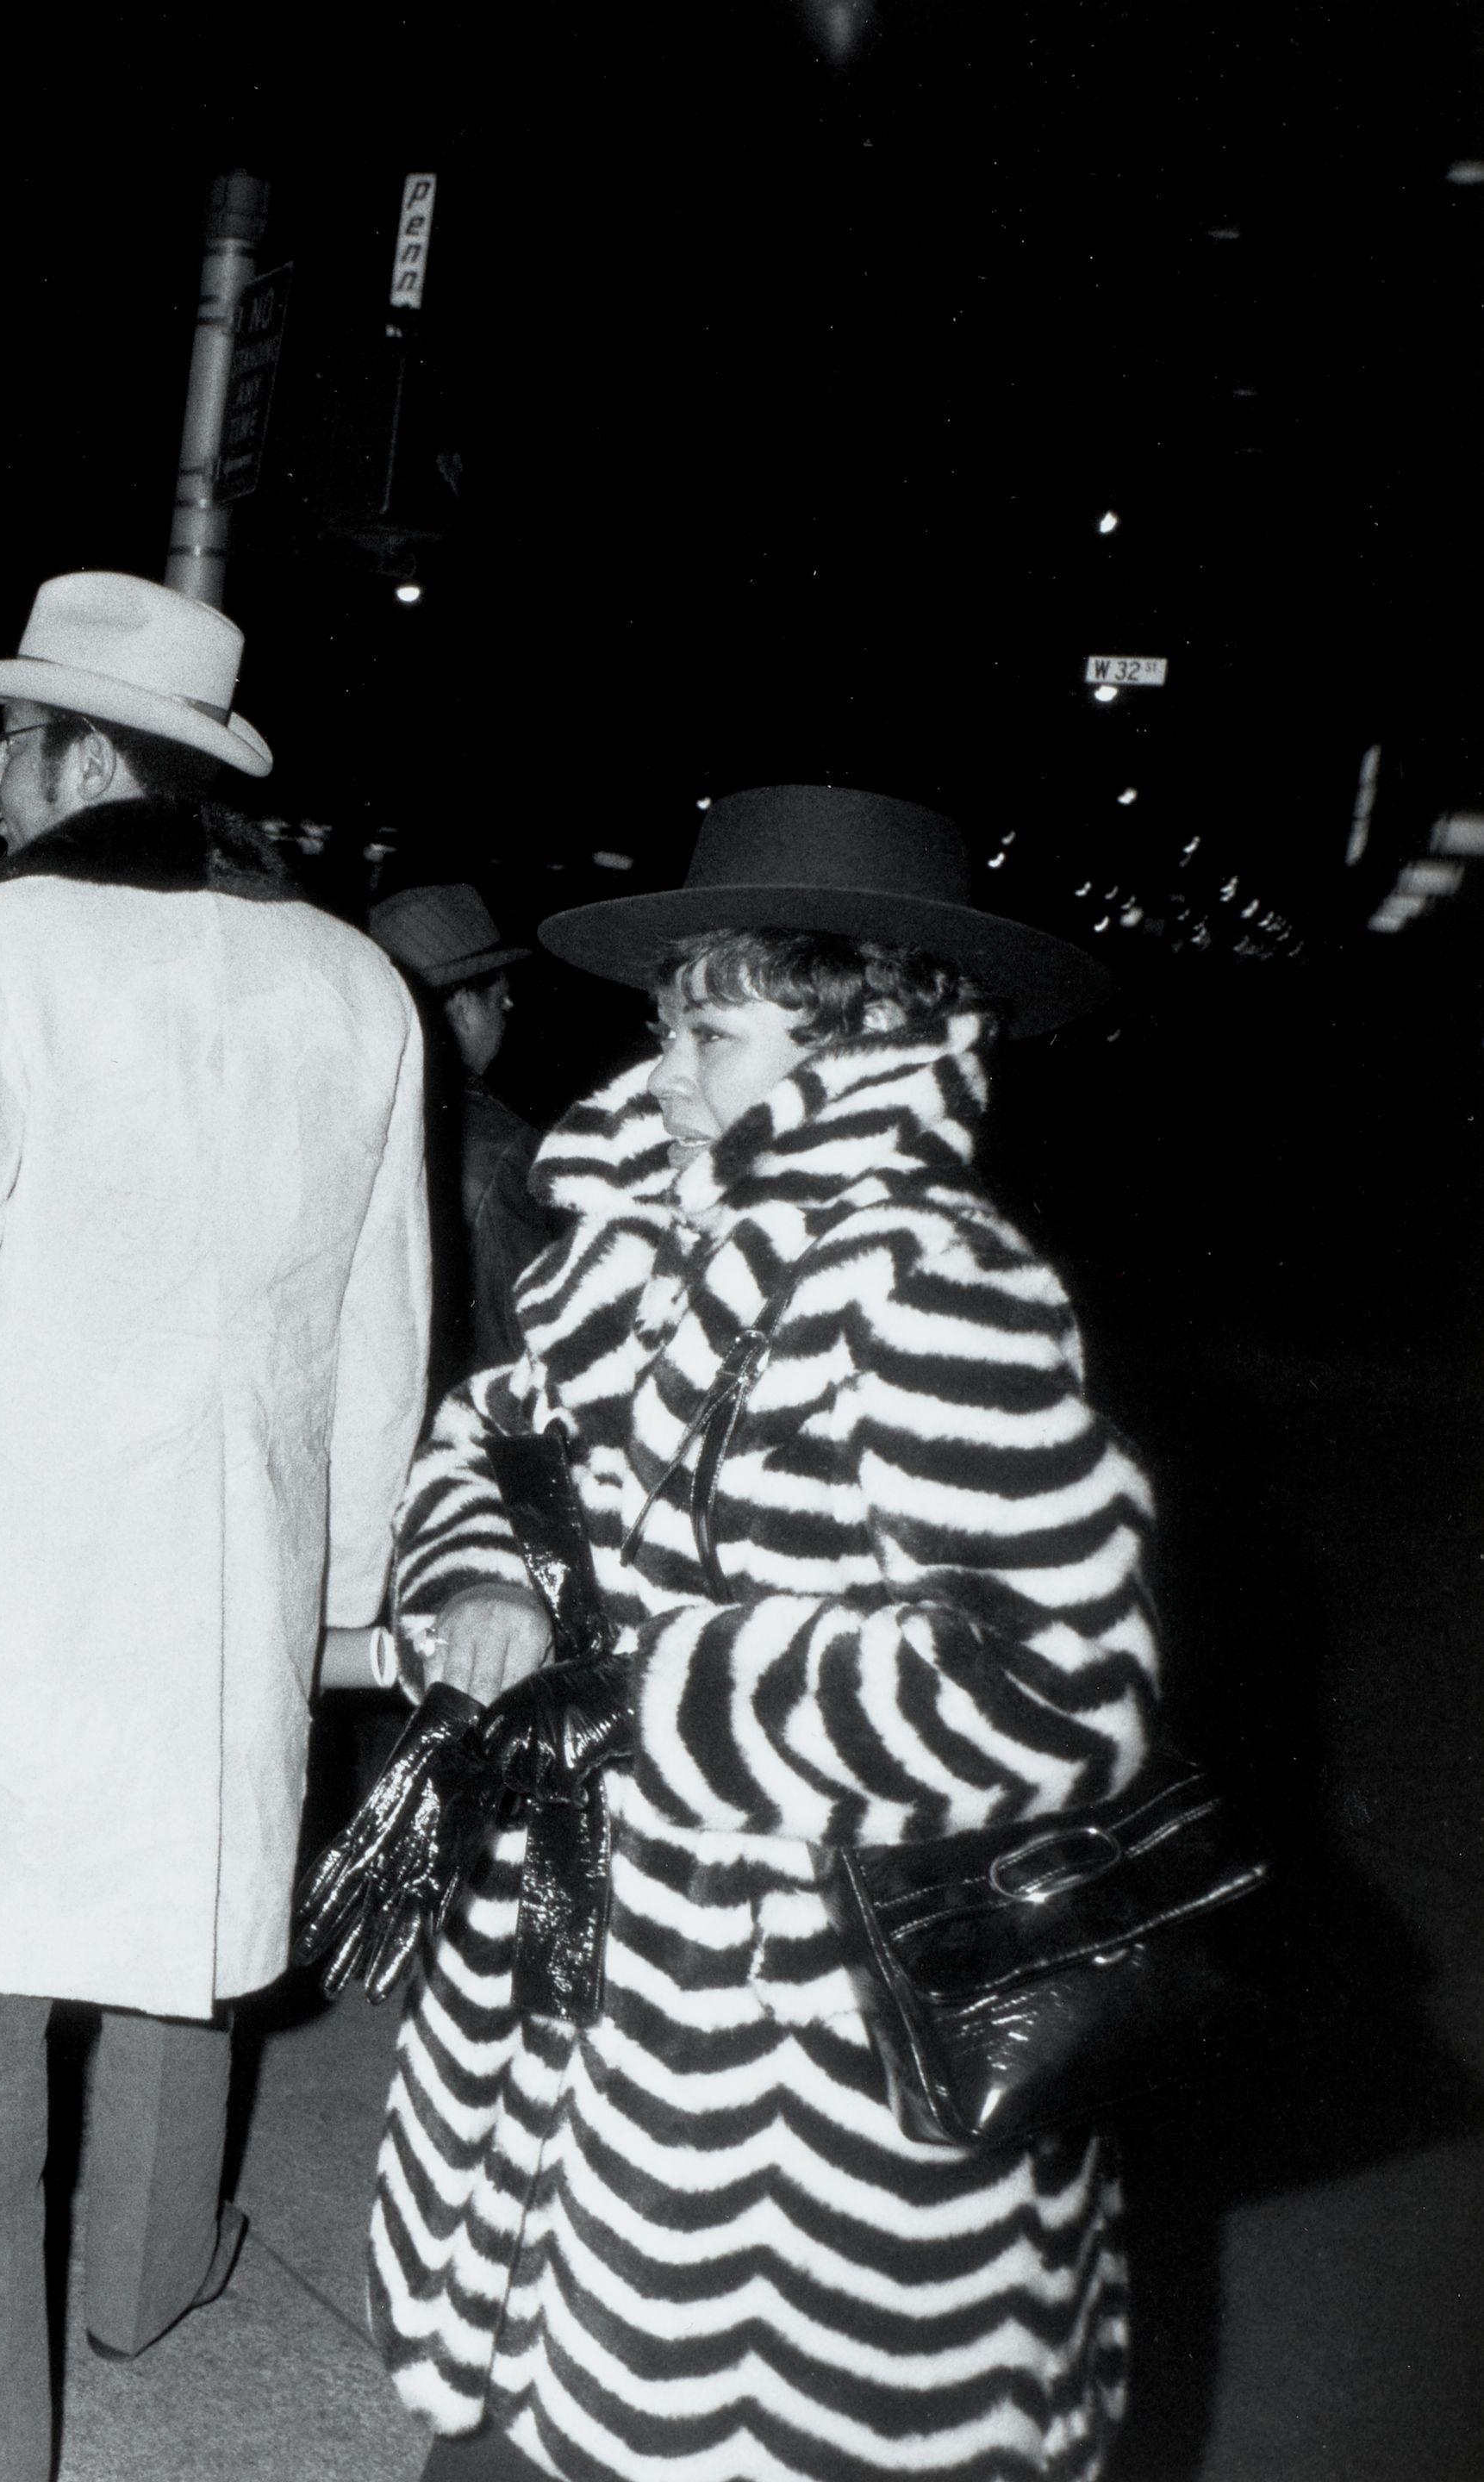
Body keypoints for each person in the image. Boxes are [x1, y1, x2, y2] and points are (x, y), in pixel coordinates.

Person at [366, 785, 1150, 2482]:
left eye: (707, 1037)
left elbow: (1049, 1692)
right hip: (583, 1982)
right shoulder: (630, 1245)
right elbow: (489, 1442)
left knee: (723, 2430)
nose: (660, 1076)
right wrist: (485, 1577)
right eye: (663, 1029)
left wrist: (656, 1685)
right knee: (514, 2424)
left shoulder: (935, 1280)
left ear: (874, 1031)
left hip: (806, 2072)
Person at [0, 571, 432, 2482]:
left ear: (86, 756)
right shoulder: (351, 978)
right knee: (170, 1943)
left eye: (6, 731)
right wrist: (348, 1597)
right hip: (229, 1570)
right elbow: (384, 1327)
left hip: (7, 1564)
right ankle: (144, 2285)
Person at [371, 883, 564, 1388]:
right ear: (460, 1004)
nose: (509, 1007)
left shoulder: (355, 1108)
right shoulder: (500, 1146)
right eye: (499, 997)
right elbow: (514, 1344)